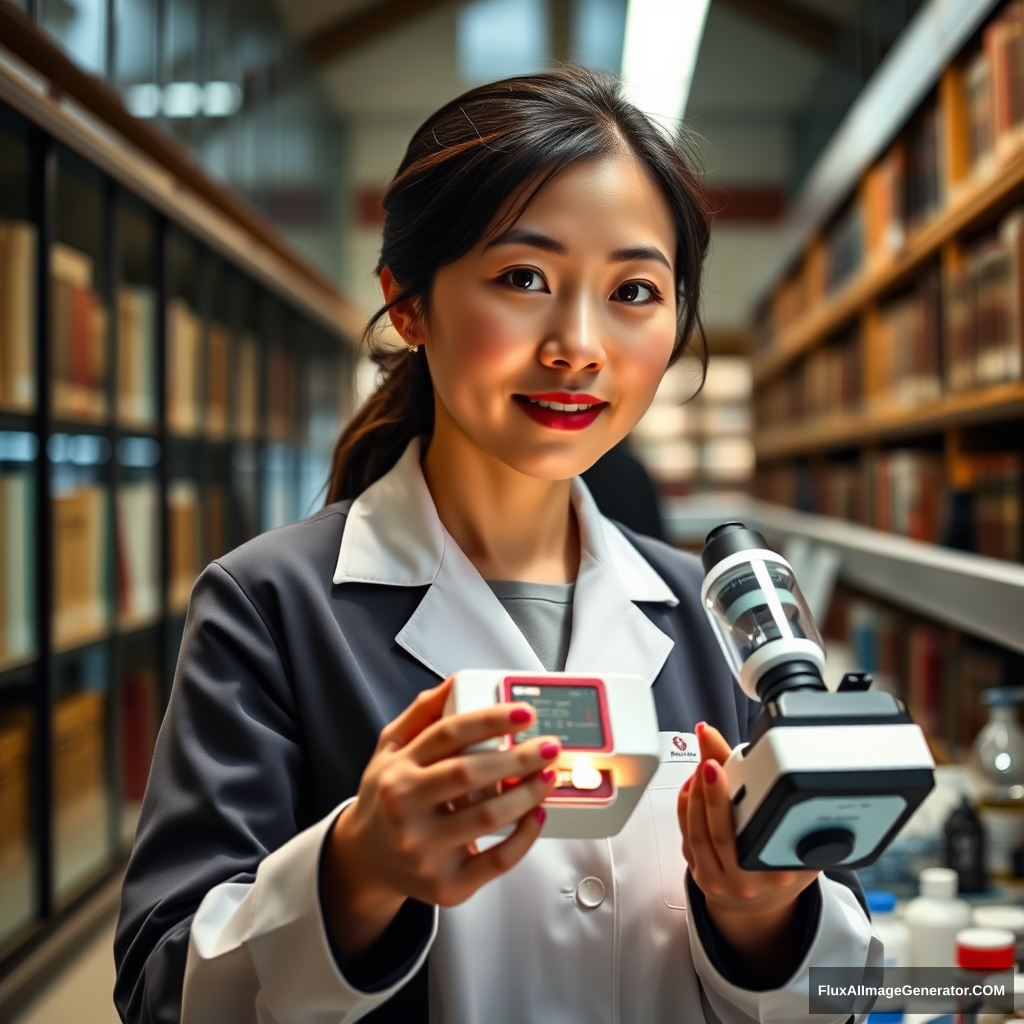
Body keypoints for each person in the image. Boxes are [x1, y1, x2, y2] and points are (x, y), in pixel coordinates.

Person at [113, 66, 879, 1024]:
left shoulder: (715, 613)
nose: (578, 344)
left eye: (635, 289)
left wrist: (762, 917)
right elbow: (160, 995)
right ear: (409, 304)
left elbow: (848, 989)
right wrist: (354, 872)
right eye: (524, 277)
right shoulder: (269, 604)